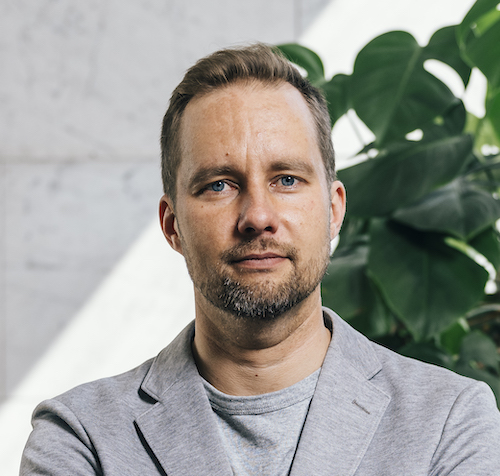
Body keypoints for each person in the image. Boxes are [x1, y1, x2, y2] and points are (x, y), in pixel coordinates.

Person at [21, 43, 500, 476]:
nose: (257, 217)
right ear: (172, 226)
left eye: (287, 179)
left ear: (333, 211)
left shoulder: (451, 420)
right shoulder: (80, 437)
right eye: (219, 185)